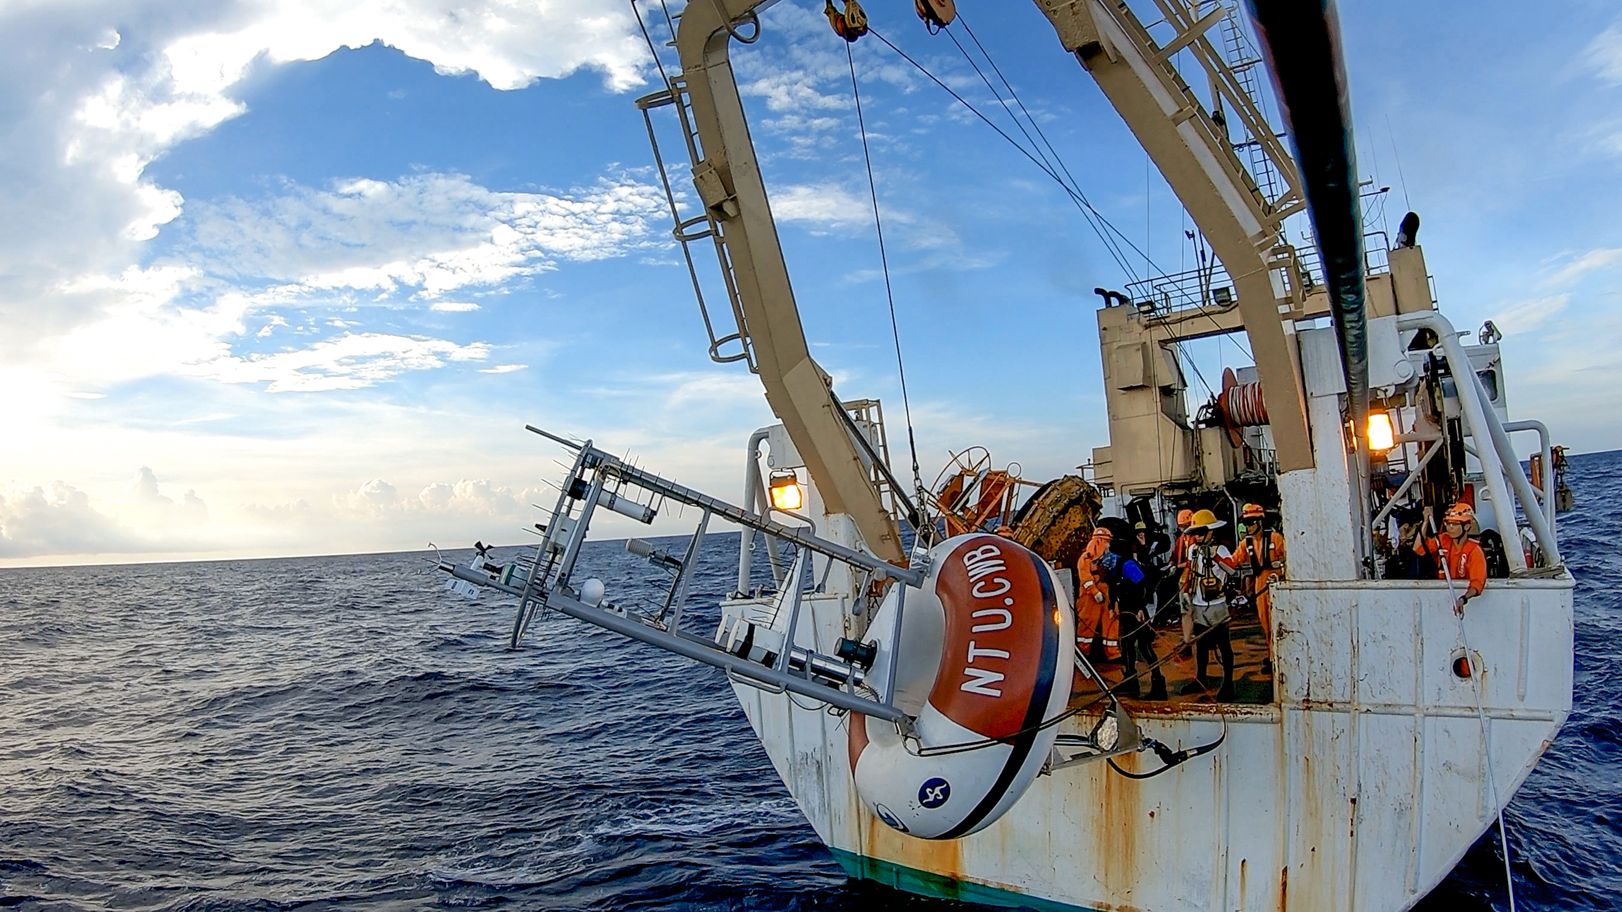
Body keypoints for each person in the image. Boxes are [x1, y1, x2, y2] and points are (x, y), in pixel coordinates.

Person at [1098, 533, 1167, 699]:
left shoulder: (1128, 565)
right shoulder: (1112, 567)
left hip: (1137, 611)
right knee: (1127, 645)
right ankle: (1130, 680)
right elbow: (1113, 587)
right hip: (1125, 610)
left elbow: (1144, 586)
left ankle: (1158, 684)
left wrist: (1141, 609)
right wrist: (1111, 605)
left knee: (1144, 646)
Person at [1180, 509, 1235, 701]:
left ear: (1211, 531)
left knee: (1223, 645)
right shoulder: (1192, 550)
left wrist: (1216, 558)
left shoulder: (1220, 549)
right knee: (1201, 646)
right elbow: (1189, 570)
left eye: (1201, 532)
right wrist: (1185, 592)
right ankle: (1201, 679)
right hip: (1198, 603)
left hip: (1217, 605)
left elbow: (1232, 570)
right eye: (1195, 532)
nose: (1197, 536)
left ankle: (1228, 683)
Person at [1229, 503, 1286, 675]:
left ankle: (1279, 657)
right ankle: (1271, 655)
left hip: (1277, 584)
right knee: (1265, 622)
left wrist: (1281, 571)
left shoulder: (1275, 538)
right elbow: (1233, 561)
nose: (1249, 526)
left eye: (1252, 522)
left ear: (1260, 521)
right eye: (1246, 523)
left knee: (1279, 622)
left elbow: (1288, 558)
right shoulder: (1246, 543)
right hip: (1260, 584)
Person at [1414, 502, 1487, 615]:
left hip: (1460, 600)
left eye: (1455, 524)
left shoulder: (1474, 551)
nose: (1450, 527)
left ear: (1466, 526)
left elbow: (1477, 584)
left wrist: (1463, 599)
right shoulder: (1443, 540)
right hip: (1440, 596)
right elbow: (1418, 548)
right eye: (1448, 523)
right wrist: (1425, 522)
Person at [1073, 524, 1119, 662]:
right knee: (1087, 624)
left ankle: (1113, 653)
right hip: (1089, 598)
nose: (1108, 545)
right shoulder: (1085, 558)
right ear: (1099, 541)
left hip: (1107, 595)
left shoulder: (1109, 559)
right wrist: (1094, 592)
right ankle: (1083, 653)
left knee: (1111, 621)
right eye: (1106, 542)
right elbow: (1085, 578)